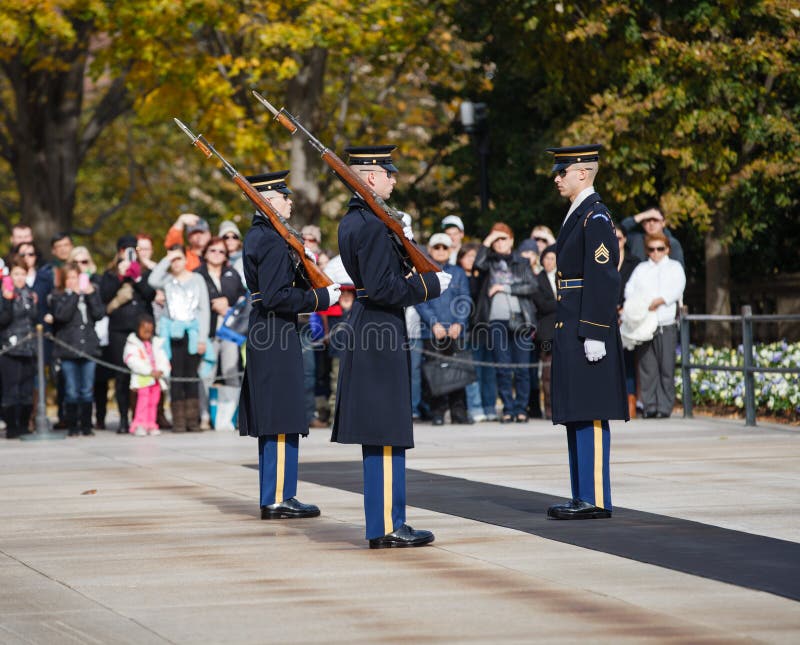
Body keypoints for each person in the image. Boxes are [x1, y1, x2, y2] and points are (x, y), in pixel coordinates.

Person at [334, 144, 450, 549]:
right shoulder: (369, 224)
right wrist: (429, 284)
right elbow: (385, 287)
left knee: (386, 430)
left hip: (373, 324)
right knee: (385, 430)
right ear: (370, 177)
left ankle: (388, 520)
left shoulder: (358, 220)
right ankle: (386, 525)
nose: (394, 179)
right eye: (389, 173)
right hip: (380, 327)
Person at [238, 170, 340, 520]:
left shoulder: (262, 235)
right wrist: (319, 297)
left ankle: (278, 492)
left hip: (269, 330)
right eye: (284, 196)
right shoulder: (269, 239)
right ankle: (279, 496)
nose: (290, 201)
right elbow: (277, 296)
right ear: (268, 201)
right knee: (280, 415)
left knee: (275, 416)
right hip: (274, 331)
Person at [544, 143, 628, 520]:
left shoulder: (595, 218)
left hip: (587, 329)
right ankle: (581, 494)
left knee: (591, 413)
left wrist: (595, 330)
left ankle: (594, 497)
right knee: (577, 410)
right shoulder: (578, 215)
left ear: (582, 172)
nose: (557, 178)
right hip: (572, 325)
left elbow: (603, 277)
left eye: (562, 172)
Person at [474, 222, 537, 423]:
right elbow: (477, 264)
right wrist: (488, 240)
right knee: (502, 367)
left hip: (521, 318)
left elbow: (532, 286)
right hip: (496, 319)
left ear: (511, 240)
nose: (499, 243)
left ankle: (521, 408)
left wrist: (504, 287)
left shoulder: (522, 262)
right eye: (496, 239)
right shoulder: (488, 262)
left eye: (503, 238)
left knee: (522, 367)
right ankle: (508, 408)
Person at [148, 245, 210, 433]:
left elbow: (204, 309)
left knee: (192, 376)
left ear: (186, 260)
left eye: (179, 258)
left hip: (192, 333)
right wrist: (167, 258)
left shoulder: (197, 279)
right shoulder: (167, 280)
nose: (176, 263)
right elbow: (152, 280)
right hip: (173, 336)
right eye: (173, 260)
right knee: (176, 377)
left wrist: (202, 338)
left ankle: (193, 420)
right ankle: (179, 421)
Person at [624, 232, 686, 418]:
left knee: (666, 367)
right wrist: (642, 304)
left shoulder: (674, 267)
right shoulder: (641, 269)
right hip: (644, 325)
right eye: (652, 249)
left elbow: (678, 288)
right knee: (647, 368)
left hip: (665, 323)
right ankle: (650, 406)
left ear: (667, 249)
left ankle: (665, 406)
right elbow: (629, 290)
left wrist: (660, 300)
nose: (656, 253)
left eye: (660, 249)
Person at [99, 235, 155, 433]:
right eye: (125, 249)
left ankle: (141, 417)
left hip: (142, 330)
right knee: (121, 375)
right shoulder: (110, 273)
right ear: (119, 251)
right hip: (119, 330)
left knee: (144, 374)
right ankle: (124, 418)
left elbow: (151, 294)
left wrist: (137, 276)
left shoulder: (145, 271)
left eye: (133, 249)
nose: (129, 253)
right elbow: (104, 296)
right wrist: (120, 277)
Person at [416, 233, 471, 426]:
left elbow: (465, 299)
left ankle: (459, 412)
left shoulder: (458, 272)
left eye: (444, 248)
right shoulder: (423, 272)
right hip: (432, 331)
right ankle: (437, 412)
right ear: (430, 250)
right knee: (435, 373)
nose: (440, 251)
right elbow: (421, 301)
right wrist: (434, 323)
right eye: (437, 247)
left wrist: (459, 322)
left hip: (456, 330)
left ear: (450, 250)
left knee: (458, 371)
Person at [195, 236, 247, 431]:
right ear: (206, 252)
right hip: (206, 333)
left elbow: (243, 300)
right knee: (205, 375)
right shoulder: (197, 274)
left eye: (221, 251)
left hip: (229, 333)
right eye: (213, 250)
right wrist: (214, 303)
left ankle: (234, 415)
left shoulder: (232, 274)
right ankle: (204, 416)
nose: (217, 254)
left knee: (231, 373)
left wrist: (228, 306)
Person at [49, 262, 105, 437]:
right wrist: (74, 294)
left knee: (87, 389)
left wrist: (90, 295)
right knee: (72, 390)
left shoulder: (89, 294)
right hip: (68, 349)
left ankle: (87, 425)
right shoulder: (58, 296)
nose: (73, 281)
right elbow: (62, 316)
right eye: (70, 278)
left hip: (88, 348)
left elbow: (99, 314)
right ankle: (73, 425)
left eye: (76, 277)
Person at [458, 242, 496, 422]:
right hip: (466, 329)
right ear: (460, 259)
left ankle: (490, 407)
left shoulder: (482, 277)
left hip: (483, 327)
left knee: (488, 370)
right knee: (473, 372)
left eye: (475, 257)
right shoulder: (457, 278)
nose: (472, 260)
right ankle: (475, 407)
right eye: (468, 257)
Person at [0, 258, 38, 439]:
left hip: (29, 347)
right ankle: (12, 426)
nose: (20, 277)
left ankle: (24, 424)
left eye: (23, 273)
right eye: (16, 273)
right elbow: (3, 320)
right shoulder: (4, 294)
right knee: (11, 390)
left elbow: (34, 318)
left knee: (26, 390)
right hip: (10, 348)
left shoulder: (30, 294)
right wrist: (7, 300)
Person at [124, 314, 170, 436]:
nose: (147, 332)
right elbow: (131, 360)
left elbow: (163, 359)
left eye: (150, 330)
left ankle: (151, 424)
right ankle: (139, 424)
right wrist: (149, 371)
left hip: (156, 380)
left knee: (154, 402)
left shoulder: (156, 343)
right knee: (142, 402)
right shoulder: (132, 343)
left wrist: (162, 370)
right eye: (144, 330)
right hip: (142, 379)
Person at [616, 226, 642, 419]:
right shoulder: (600, 259)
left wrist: (625, 309)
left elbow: (639, 291)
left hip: (628, 316)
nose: (615, 241)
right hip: (606, 317)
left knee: (628, 363)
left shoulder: (635, 263)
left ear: (625, 239)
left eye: (618, 238)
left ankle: (630, 403)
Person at [531, 244, 557, 419]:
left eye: (553, 258)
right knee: (547, 372)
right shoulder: (537, 280)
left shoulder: (564, 277)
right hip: (546, 333)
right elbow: (543, 304)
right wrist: (561, 301)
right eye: (547, 258)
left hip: (563, 331)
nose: (550, 261)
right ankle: (549, 408)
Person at [620, 208, 684, 267]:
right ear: (642, 224)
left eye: (655, 220)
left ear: (663, 223)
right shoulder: (636, 239)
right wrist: (642, 215)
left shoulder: (672, 243)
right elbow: (619, 230)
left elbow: (678, 269)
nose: (651, 224)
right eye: (648, 220)